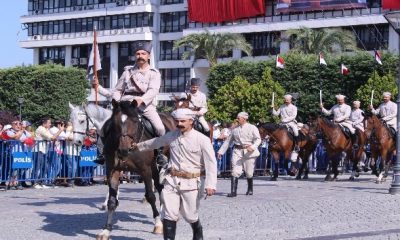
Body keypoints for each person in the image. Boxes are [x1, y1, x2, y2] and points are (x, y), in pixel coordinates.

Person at [131, 108, 217, 240]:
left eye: (183, 121)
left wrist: (211, 184)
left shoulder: (202, 139)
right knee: (169, 214)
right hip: (172, 180)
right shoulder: (172, 135)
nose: (179, 124)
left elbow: (211, 163)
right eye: (177, 121)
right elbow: (156, 142)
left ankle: (197, 232)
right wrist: (137, 146)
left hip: (192, 182)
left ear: (191, 121)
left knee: (190, 215)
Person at [93, 41, 165, 165]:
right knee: (104, 126)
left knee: (160, 128)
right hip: (125, 105)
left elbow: (153, 90)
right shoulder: (127, 72)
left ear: (148, 56)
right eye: (138, 53)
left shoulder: (154, 73)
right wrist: (116, 100)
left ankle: (159, 154)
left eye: (143, 53)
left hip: (144, 106)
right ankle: (102, 153)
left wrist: (141, 99)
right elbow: (119, 89)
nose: (140, 56)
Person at [217, 112, 261, 197]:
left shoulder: (252, 128)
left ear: (244, 119)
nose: (237, 119)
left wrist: (253, 146)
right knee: (235, 171)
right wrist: (220, 151)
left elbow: (258, 139)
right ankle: (233, 192)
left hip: (249, 152)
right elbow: (228, 141)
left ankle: (250, 189)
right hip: (237, 151)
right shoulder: (235, 129)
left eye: (239, 118)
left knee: (249, 172)